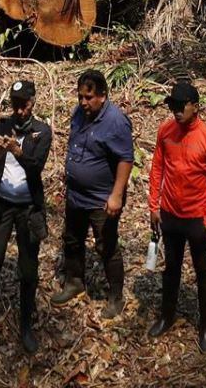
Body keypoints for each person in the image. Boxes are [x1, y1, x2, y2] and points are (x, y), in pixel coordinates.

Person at [0, 79, 53, 356]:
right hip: (1, 206)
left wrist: (18, 151)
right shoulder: (0, 126)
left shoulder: (42, 132)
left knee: (28, 271)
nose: (19, 111)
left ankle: (26, 328)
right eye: (15, 105)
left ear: (33, 103)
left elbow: (37, 167)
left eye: (24, 105)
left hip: (28, 208)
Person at [146, 81, 206, 353]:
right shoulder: (166, 131)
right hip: (169, 213)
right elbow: (157, 167)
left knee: (203, 271)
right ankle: (167, 315)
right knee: (172, 268)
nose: (176, 112)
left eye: (181, 107)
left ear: (196, 107)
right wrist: (153, 205)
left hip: (196, 217)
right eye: (173, 107)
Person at [50, 69, 134, 319]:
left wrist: (116, 195)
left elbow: (125, 159)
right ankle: (75, 281)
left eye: (89, 97)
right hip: (76, 195)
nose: (83, 102)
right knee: (72, 239)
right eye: (80, 97)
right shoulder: (80, 114)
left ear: (103, 96)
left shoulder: (115, 121)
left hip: (101, 198)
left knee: (106, 245)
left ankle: (116, 296)